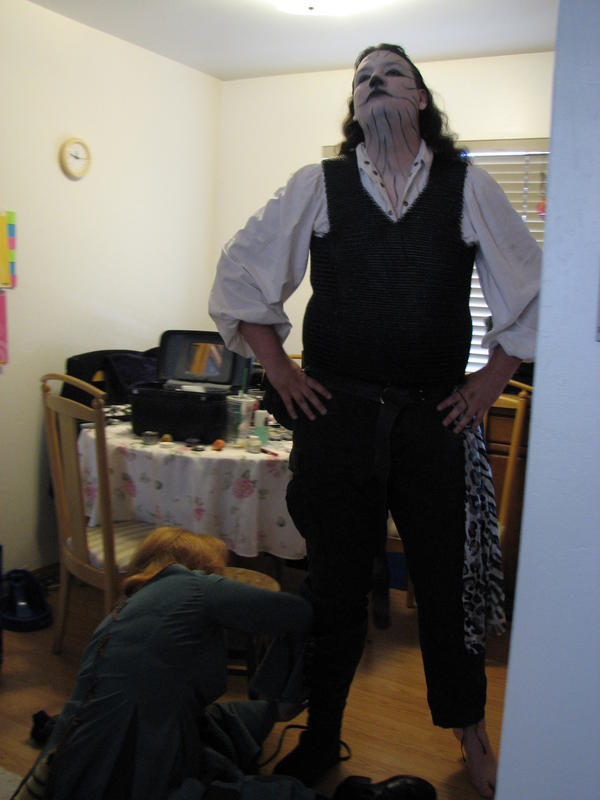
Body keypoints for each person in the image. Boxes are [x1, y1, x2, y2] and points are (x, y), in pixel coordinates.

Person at [209, 43, 541, 799]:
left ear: (420, 98)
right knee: (333, 589)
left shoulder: (467, 185)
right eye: (362, 78)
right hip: (338, 419)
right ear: (354, 109)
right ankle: (320, 736)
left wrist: (489, 382)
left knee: (447, 589)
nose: (374, 82)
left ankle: (472, 738)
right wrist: (280, 371)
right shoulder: (318, 185)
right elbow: (240, 275)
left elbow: (531, 291)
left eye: (391, 72)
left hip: (434, 421)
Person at [14, 527, 432, 800]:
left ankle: (275, 709)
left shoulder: (120, 615)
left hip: (76, 764)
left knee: (222, 721)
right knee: (258, 791)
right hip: (131, 776)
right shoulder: (191, 586)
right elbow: (297, 614)